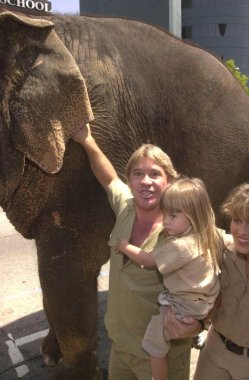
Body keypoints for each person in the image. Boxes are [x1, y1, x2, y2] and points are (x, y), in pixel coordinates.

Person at [73, 124, 201, 380]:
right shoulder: (125, 208)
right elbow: (109, 179)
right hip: (121, 349)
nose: (146, 181)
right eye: (138, 174)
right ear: (130, 181)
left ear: (170, 181)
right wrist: (86, 140)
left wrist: (199, 323)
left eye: (155, 174)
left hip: (162, 358)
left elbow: (211, 280)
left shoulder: (183, 232)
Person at [118, 177, 223, 380]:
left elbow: (147, 259)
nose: (166, 221)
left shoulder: (179, 246)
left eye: (173, 216)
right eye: (165, 214)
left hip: (185, 307)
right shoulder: (208, 234)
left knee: (153, 343)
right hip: (202, 303)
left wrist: (124, 246)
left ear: (193, 216)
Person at [194, 183, 249, 380]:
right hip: (215, 352)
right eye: (237, 220)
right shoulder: (224, 247)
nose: (242, 231)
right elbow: (195, 218)